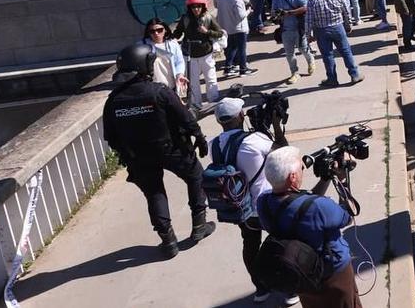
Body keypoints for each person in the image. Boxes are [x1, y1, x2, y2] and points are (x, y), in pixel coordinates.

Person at [102, 44, 216, 258]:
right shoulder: (159, 92)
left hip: (139, 157)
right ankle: (199, 224)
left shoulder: (113, 101)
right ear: (143, 66)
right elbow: (186, 118)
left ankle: (168, 240)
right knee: (195, 176)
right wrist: (199, 138)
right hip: (171, 149)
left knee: (154, 193)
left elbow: (111, 137)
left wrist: (128, 156)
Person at [257, 146, 362, 308]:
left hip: (301, 272)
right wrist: (342, 180)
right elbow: (348, 214)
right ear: (292, 177)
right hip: (332, 275)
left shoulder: (263, 202)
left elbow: (301, 205)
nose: (303, 170)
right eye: (301, 167)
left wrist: (325, 179)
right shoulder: (319, 207)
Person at [209, 98, 286, 304]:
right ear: (241, 116)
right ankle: (289, 289)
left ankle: (261, 288)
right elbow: (283, 153)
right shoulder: (254, 140)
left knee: (250, 245)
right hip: (266, 205)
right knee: (284, 242)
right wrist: (276, 126)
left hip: (240, 207)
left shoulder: (213, 145)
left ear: (219, 121)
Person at [306, 0, 363, 87]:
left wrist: (309, 35)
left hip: (321, 31)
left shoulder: (313, 1)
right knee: (346, 51)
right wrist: (348, 25)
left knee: (327, 55)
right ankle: (354, 74)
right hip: (338, 27)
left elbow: (308, 20)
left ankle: (332, 79)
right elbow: (346, 12)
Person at [173, 0, 224, 109]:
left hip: (206, 54)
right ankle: (196, 103)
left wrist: (207, 32)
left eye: (199, 6)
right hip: (190, 55)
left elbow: (220, 33)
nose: (196, 9)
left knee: (211, 78)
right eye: (193, 7)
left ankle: (213, 100)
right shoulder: (185, 19)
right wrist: (169, 36)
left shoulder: (208, 18)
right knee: (193, 82)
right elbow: (178, 32)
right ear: (189, 8)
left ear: (203, 7)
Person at [272, 0, 315, 84]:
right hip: (286, 30)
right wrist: (276, 16)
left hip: (299, 28)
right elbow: (273, 13)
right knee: (289, 53)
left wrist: (290, 13)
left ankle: (311, 61)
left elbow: (306, 7)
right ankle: (294, 73)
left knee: (303, 49)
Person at [216, 0, 257, 78]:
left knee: (231, 48)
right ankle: (243, 69)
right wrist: (248, 11)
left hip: (227, 27)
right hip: (239, 28)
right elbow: (241, 15)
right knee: (241, 49)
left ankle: (228, 68)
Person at [142, 18, 188, 97]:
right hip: (153, 89)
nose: (156, 33)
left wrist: (179, 75)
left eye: (159, 30)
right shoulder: (143, 46)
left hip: (171, 87)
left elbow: (179, 62)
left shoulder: (173, 44)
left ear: (165, 30)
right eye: (152, 31)